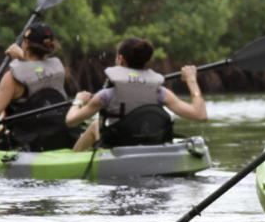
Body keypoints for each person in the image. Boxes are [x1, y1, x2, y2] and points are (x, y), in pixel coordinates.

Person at [67, 37, 207, 151]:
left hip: (120, 144)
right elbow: (200, 116)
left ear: (121, 59)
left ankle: (73, 160)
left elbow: (71, 121)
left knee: (96, 124)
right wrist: (191, 80)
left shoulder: (106, 95)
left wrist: (78, 101)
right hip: (153, 142)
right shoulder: (161, 93)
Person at [0, 22, 77, 151]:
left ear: (26, 44)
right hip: (59, 137)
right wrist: (22, 56)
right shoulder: (59, 71)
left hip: (26, 143)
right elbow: (38, 73)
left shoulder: (12, 78)